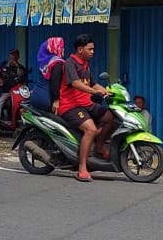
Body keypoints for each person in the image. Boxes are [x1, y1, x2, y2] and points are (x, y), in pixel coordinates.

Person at [57, 34, 113, 182]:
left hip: (86, 104)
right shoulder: (70, 63)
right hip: (71, 106)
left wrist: (107, 92)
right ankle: (82, 168)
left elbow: (93, 83)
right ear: (80, 49)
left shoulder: (85, 64)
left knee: (111, 117)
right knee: (91, 129)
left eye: (93, 49)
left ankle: (99, 147)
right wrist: (95, 92)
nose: (93, 51)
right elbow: (75, 83)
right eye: (90, 49)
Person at [0, 49, 28, 131]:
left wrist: (17, 66)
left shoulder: (21, 68)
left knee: (24, 106)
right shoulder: (4, 65)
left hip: (15, 92)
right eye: (11, 55)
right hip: (3, 91)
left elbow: (22, 77)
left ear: (18, 56)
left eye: (15, 55)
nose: (13, 57)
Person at [32, 36, 67, 114]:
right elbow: (55, 82)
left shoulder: (45, 61)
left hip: (35, 96)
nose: (63, 49)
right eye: (61, 47)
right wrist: (56, 100)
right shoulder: (57, 63)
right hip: (47, 99)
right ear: (55, 48)